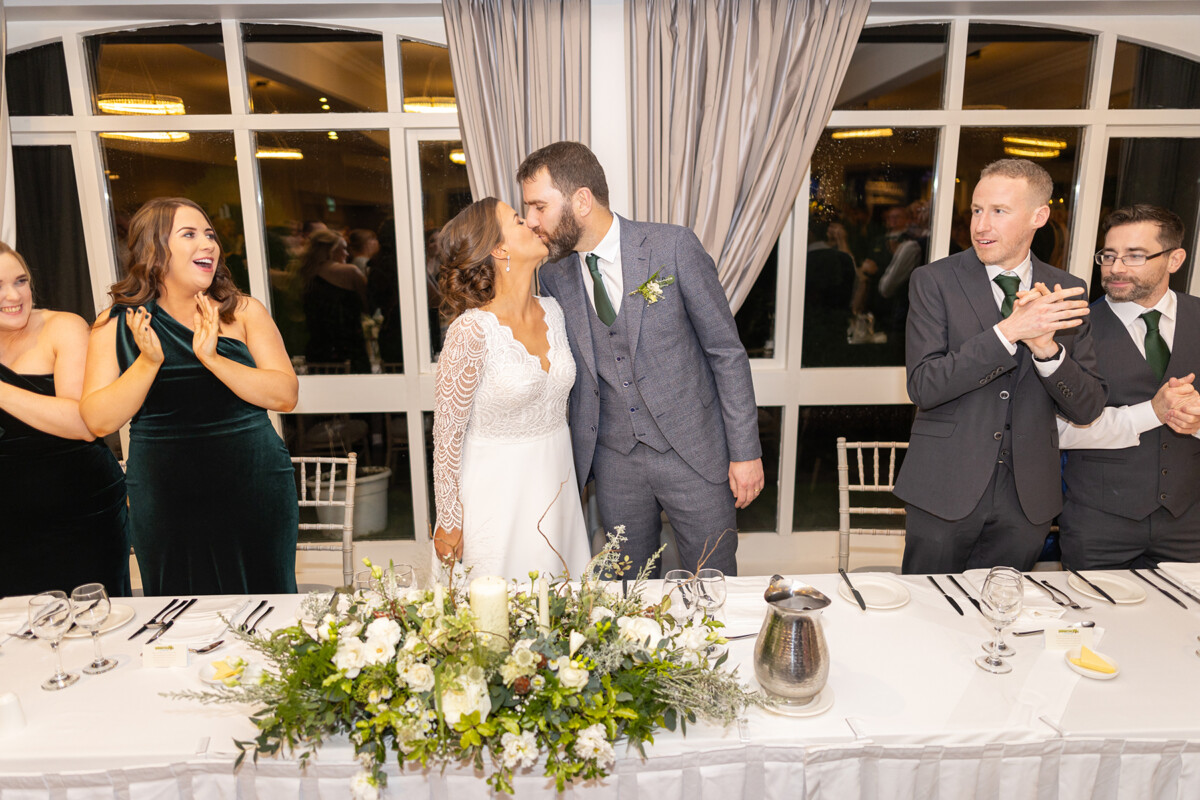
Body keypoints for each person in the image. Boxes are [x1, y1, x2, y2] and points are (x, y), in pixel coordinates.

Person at [518, 141, 763, 578]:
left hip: (694, 452)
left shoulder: (672, 247)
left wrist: (745, 452)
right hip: (615, 462)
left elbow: (726, 353)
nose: (532, 221)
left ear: (581, 200)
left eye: (539, 206)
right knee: (627, 591)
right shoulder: (553, 276)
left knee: (714, 581)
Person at [893, 159, 1107, 574]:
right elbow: (924, 385)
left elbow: (1088, 407)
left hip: (1027, 499)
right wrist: (1007, 333)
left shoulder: (1067, 291)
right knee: (928, 616)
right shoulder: (933, 281)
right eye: (976, 210)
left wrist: (1048, 352)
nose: (981, 225)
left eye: (999, 211)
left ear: (1038, 216)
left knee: (1003, 618)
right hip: (944, 487)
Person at [80, 197, 299, 596]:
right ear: (155, 250)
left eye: (210, 235)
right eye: (190, 234)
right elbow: (98, 421)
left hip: (253, 483)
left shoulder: (243, 312)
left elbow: (285, 396)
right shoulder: (115, 323)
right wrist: (147, 363)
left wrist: (213, 359)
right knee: (178, 607)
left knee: (267, 602)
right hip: (165, 492)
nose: (209, 244)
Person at [431, 197, 591, 580]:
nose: (534, 225)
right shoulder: (470, 331)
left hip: (556, 486)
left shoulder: (555, 312)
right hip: (495, 495)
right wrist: (449, 519)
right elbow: (446, 437)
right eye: (520, 221)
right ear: (499, 248)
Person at [1056, 205, 1200, 568]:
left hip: (1190, 523)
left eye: (1134, 256)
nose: (1115, 268)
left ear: (1175, 259)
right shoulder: (1071, 328)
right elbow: (1054, 430)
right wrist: (1151, 413)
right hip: (1098, 526)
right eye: (1108, 255)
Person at [0, 242, 130, 597]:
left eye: (20, 281)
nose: (13, 295)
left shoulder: (63, 328)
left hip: (81, 512)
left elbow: (82, 424)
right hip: (7, 523)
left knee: (94, 626)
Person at [301, 230, 370, 372]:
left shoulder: (306, 275)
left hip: (317, 350)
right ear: (330, 250)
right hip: (350, 349)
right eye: (343, 248)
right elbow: (368, 306)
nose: (347, 253)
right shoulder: (351, 272)